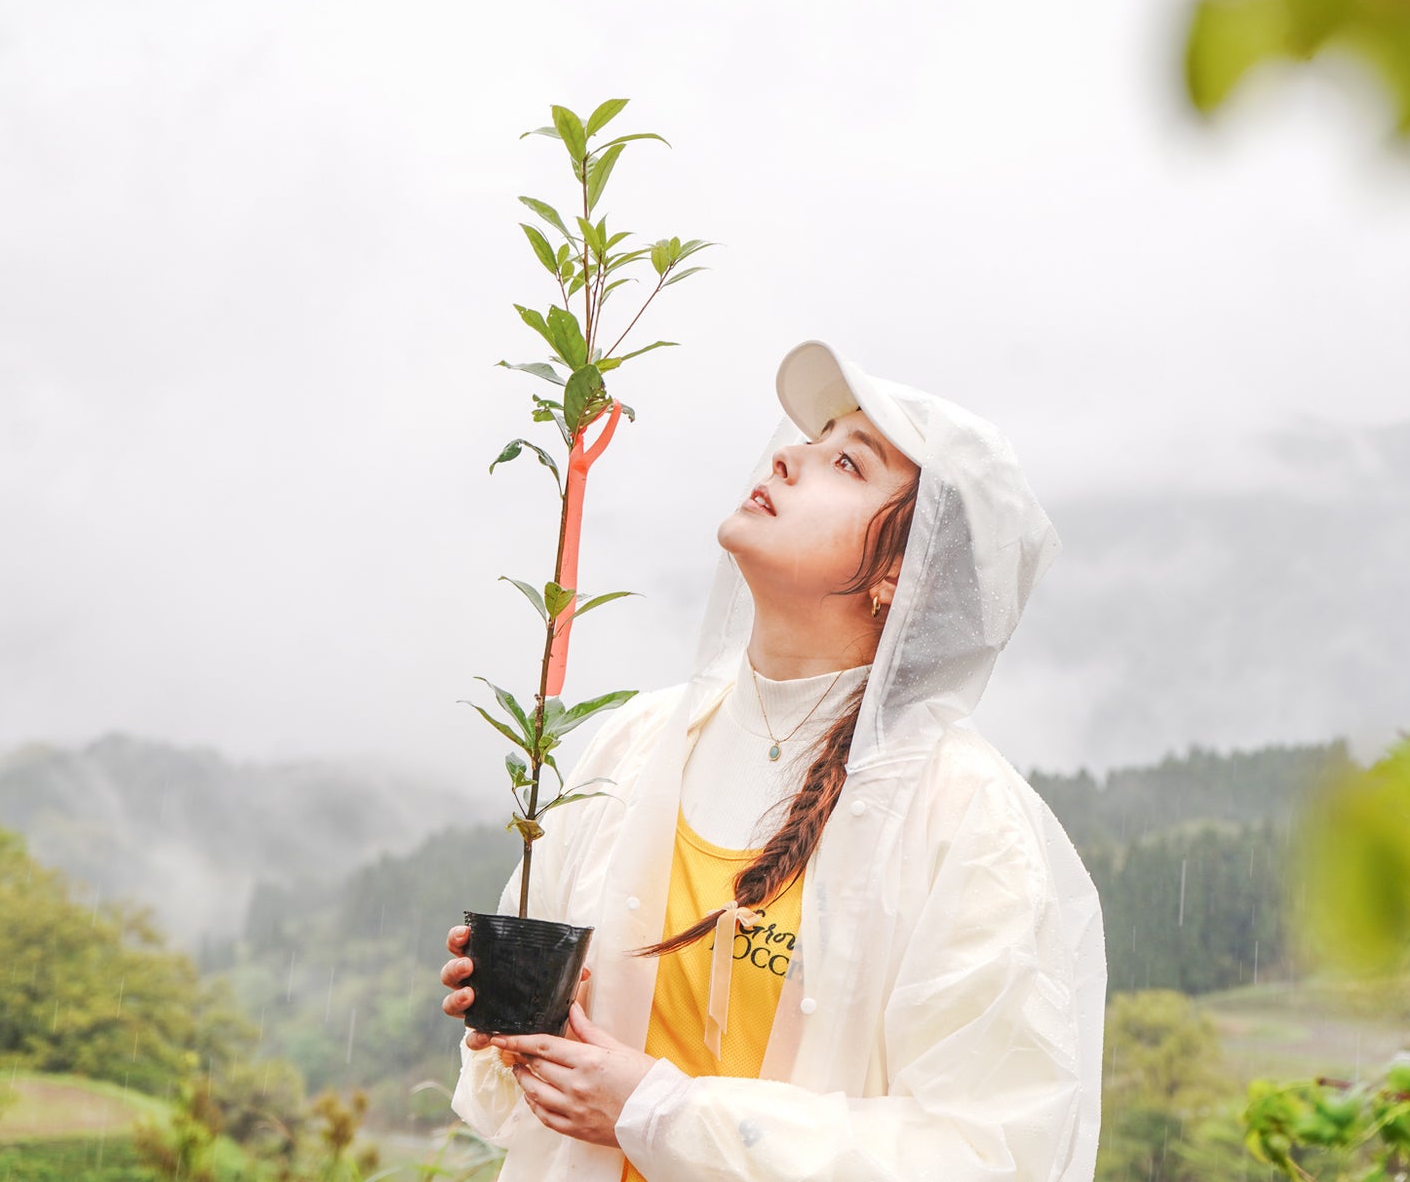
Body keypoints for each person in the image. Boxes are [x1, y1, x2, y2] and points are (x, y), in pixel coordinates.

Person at [440, 340, 1107, 1181]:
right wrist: (515, 1024)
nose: (789, 456)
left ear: (901, 574)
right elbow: (527, 1107)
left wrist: (660, 1112)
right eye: (808, 439)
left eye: (846, 463)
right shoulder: (633, 745)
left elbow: (986, 1151)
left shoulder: (962, 815)